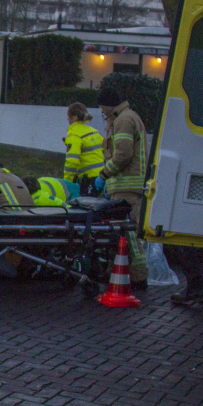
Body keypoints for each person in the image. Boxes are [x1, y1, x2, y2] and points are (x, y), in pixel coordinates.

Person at [94, 86, 148, 289]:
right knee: (121, 234)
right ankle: (118, 273)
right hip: (122, 188)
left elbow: (123, 155)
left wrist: (103, 174)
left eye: (102, 107)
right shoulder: (121, 119)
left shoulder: (124, 120)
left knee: (129, 235)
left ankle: (138, 278)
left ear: (108, 105)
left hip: (127, 189)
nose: (101, 112)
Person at [63, 102, 104, 194]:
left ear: (74, 117)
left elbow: (72, 161)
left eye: (69, 116)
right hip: (102, 177)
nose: (67, 119)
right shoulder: (94, 132)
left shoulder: (74, 134)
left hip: (87, 180)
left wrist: (67, 183)